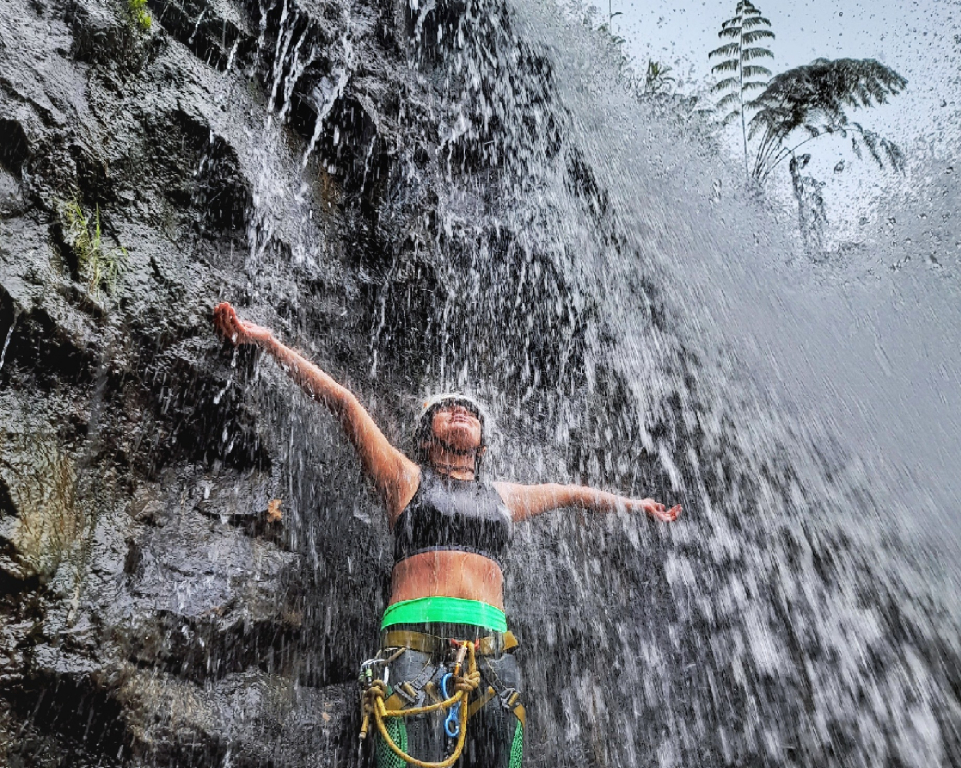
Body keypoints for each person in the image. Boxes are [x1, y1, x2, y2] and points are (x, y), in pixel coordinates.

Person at [212, 302, 681, 768]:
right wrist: (270, 344)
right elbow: (344, 404)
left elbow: (571, 494)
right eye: (446, 408)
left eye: (471, 412)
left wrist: (634, 506)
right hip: (412, 648)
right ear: (425, 434)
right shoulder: (405, 479)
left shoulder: (503, 496)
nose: (460, 411)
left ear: (482, 441)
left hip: (493, 659)